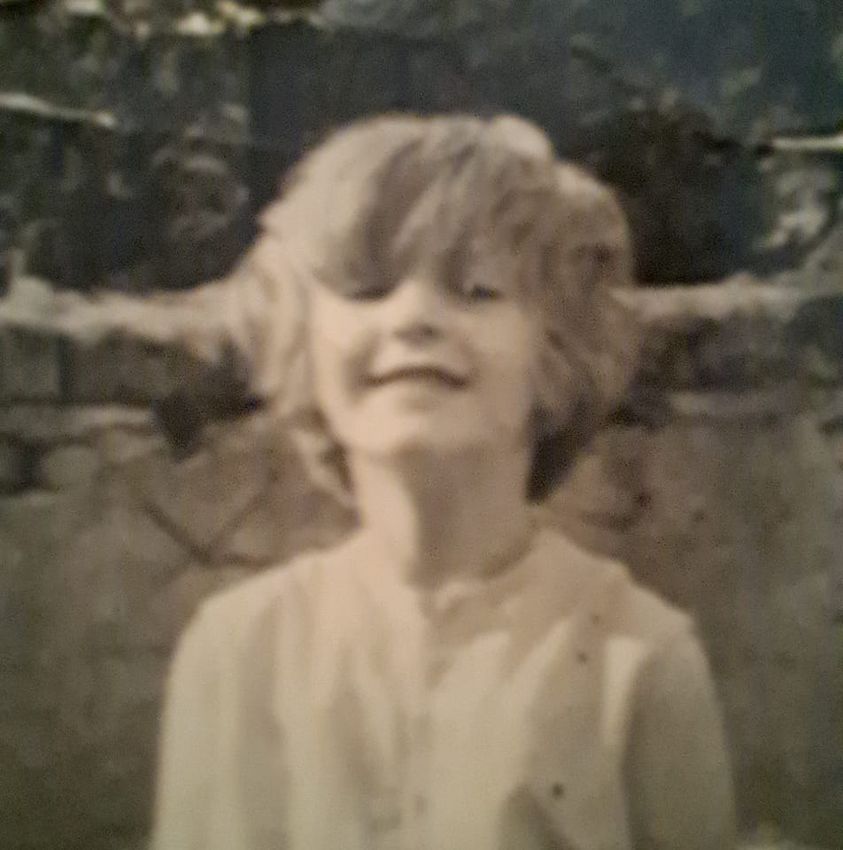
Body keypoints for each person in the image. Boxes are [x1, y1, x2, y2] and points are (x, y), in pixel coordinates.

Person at [151, 114, 736, 850]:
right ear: (302, 344)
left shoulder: (637, 658)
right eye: (367, 289)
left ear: (557, 353)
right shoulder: (240, 653)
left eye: (477, 289)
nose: (413, 317)